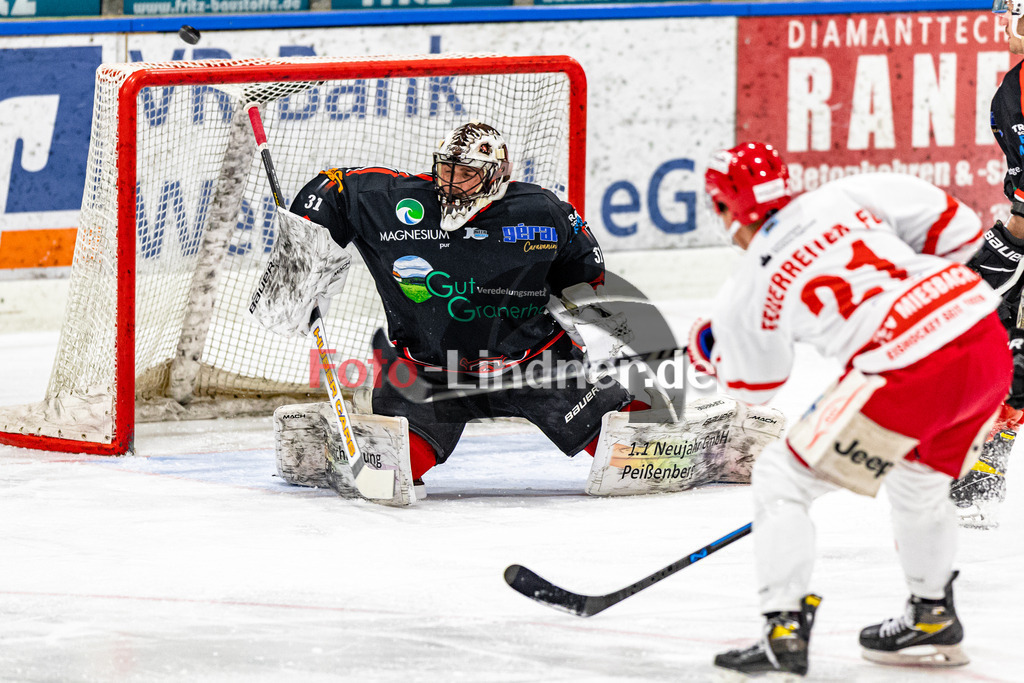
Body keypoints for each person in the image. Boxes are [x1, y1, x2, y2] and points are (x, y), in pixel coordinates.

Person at [690, 142, 1012, 677]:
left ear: (724, 208)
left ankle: (782, 629)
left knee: (781, 478)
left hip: (903, 366)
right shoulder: (848, 194)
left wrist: (713, 350)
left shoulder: (747, 285)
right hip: (981, 339)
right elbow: (959, 231)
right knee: (919, 482)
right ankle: (930, 616)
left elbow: (757, 383)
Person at [284, 122, 645, 493]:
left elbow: (586, 272)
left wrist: (592, 322)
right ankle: (354, 431)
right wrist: (301, 256)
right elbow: (332, 188)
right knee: (390, 478)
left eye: (467, 173)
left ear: (494, 176)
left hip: (536, 367)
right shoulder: (397, 204)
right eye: (446, 169)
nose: (452, 182)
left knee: (632, 455)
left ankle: (668, 430)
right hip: (429, 373)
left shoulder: (541, 212)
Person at [949, 0, 1024, 524]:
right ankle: (981, 470)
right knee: (997, 342)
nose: (1002, 23)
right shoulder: (1012, 89)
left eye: (1011, 12)